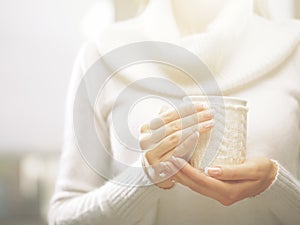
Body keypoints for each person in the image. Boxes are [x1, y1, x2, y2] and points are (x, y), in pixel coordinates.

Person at [48, 0, 300, 224]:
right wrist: (145, 179)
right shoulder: (101, 53)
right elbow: (63, 215)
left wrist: (276, 185)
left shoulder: (293, 47)